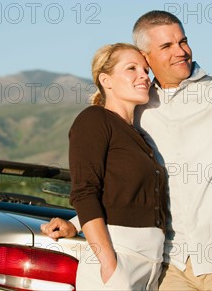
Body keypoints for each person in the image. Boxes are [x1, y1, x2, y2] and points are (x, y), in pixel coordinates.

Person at [42, 0, 212, 290]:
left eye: (183, 41)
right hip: (170, 263)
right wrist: (76, 222)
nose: (181, 51)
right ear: (146, 57)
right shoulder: (139, 110)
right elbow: (122, 187)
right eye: (167, 46)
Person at [67, 43, 169, 290]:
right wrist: (108, 263)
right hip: (118, 260)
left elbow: (117, 194)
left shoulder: (141, 136)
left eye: (145, 69)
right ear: (106, 80)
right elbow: (85, 191)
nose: (144, 75)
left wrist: (74, 223)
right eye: (131, 68)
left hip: (151, 263)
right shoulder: (94, 120)